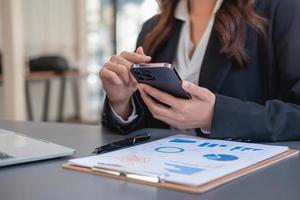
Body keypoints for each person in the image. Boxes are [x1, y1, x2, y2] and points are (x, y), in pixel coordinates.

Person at [99, 0, 300, 142]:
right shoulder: (152, 28)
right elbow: (148, 122)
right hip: (166, 177)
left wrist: (215, 115)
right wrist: (121, 104)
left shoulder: (281, 9)